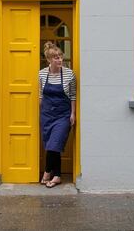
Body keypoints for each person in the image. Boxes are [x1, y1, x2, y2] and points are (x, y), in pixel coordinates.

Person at [39, 42, 76, 188]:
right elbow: (41, 95)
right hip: (47, 115)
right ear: (49, 60)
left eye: (60, 56)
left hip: (63, 115)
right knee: (50, 145)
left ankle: (51, 173)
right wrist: (42, 112)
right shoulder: (42, 73)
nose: (59, 59)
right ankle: (53, 174)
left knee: (55, 144)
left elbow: (73, 95)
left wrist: (72, 113)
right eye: (55, 57)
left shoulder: (69, 74)